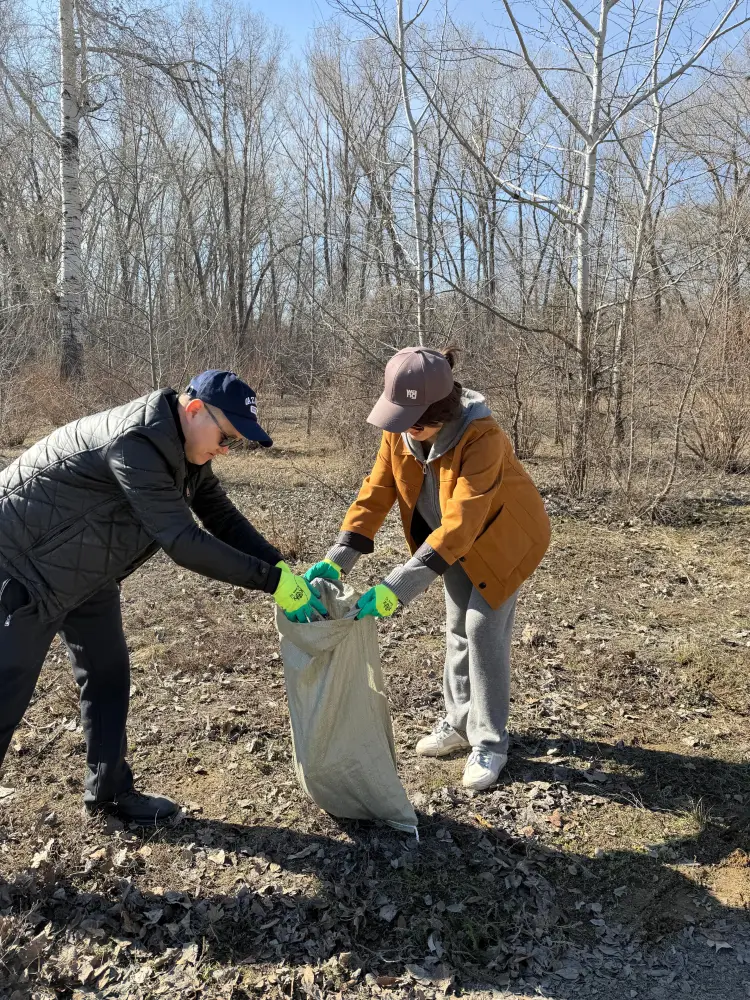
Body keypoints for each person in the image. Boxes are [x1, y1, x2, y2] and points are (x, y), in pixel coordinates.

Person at [0, 370, 325, 825]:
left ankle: (109, 795)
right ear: (194, 410)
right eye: (224, 435)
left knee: (108, 675)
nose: (224, 449)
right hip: (20, 570)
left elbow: (220, 516)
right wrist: (270, 583)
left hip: (83, 575)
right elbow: (183, 541)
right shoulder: (136, 442)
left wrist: (283, 570)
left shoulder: (184, 450)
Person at [314, 347, 551, 791]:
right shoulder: (399, 432)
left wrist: (395, 587)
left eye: (415, 420)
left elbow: (463, 522)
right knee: (456, 626)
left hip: (504, 540)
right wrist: (336, 560)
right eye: (399, 417)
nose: (407, 429)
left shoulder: (483, 438)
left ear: (441, 410)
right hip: (448, 543)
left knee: (481, 628)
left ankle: (491, 743)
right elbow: (376, 493)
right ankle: (459, 722)